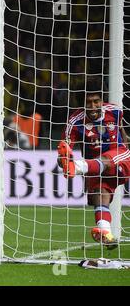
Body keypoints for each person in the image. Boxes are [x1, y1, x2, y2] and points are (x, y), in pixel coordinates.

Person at [57, 82, 129, 249]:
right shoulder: (74, 122)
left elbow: (121, 131)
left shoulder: (115, 111)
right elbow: (64, 150)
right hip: (96, 170)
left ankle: (79, 166)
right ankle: (107, 234)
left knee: (106, 160)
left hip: (119, 157)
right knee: (99, 196)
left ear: (102, 101)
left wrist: (126, 144)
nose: (93, 106)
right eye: (88, 102)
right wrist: (63, 160)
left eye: (96, 101)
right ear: (82, 104)